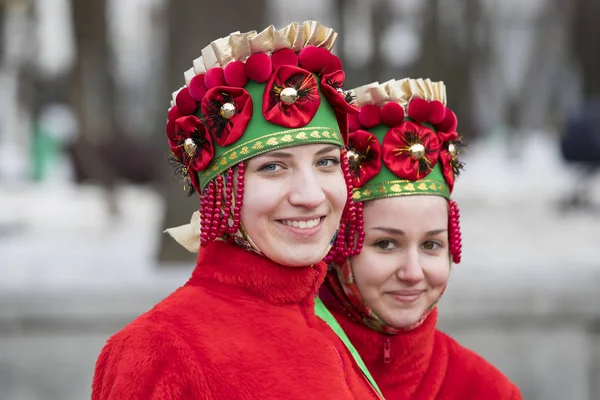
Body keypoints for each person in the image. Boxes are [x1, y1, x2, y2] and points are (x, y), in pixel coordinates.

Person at [92, 21, 382, 400]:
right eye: (272, 167)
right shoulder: (162, 348)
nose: (310, 196)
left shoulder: (332, 325)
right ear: (220, 192)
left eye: (326, 163)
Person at [318, 78, 523, 399]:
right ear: (337, 245)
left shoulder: (486, 390)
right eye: (386, 244)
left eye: (431, 245)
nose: (413, 272)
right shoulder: (291, 371)